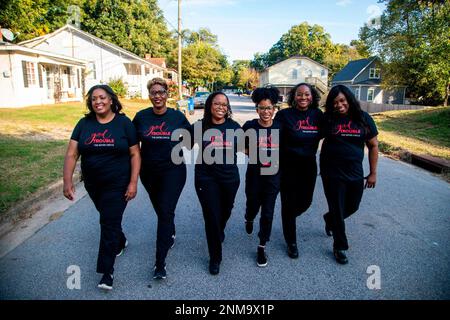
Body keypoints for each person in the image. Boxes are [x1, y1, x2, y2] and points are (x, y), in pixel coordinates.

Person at [63, 84, 141, 290]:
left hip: (118, 183)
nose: (98, 101)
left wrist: (133, 182)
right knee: (110, 220)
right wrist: (67, 181)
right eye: (94, 98)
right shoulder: (84, 123)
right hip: (93, 183)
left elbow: (135, 154)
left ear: (112, 100)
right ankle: (121, 240)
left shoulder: (124, 123)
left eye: (102, 97)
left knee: (107, 223)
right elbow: (72, 153)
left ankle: (107, 272)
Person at [132, 78, 191, 280]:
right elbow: (131, 146)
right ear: (149, 95)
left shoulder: (177, 117)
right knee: (162, 211)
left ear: (167, 94)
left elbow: (191, 140)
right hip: (149, 173)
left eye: (161, 92)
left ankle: (160, 263)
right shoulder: (141, 117)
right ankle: (170, 231)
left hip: (173, 172)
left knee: (165, 212)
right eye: (154, 92)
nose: (158, 96)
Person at [320, 85, 379, 264]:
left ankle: (329, 218)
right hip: (331, 171)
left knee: (352, 206)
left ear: (349, 100)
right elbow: (309, 136)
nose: (339, 105)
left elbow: (373, 146)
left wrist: (373, 173)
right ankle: (340, 246)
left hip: (355, 172)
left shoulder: (363, 118)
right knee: (337, 208)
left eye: (342, 101)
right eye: (335, 102)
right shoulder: (328, 119)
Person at [192, 91, 242, 275]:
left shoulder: (235, 127)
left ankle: (219, 230)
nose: (221, 107)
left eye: (224, 104)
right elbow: (180, 141)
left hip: (229, 177)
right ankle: (215, 257)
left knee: (226, 210)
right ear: (209, 106)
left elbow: (248, 148)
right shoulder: (200, 126)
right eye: (216, 103)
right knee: (211, 216)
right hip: (206, 177)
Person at [274, 83, 323, 259]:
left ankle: (289, 218)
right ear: (293, 96)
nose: (303, 98)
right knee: (288, 204)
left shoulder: (318, 115)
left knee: (305, 202)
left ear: (312, 96)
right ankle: (291, 241)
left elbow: (332, 133)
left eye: (307, 94)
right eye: (299, 94)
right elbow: (271, 132)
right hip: (287, 167)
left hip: (308, 166)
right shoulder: (284, 115)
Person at [242, 87, 281, 267]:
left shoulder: (280, 127)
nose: (266, 111)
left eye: (269, 108)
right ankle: (249, 217)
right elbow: (238, 144)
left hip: (273, 175)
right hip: (254, 174)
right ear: (257, 109)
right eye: (262, 108)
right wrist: (251, 152)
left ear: (274, 109)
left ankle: (262, 245)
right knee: (252, 204)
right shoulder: (250, 126)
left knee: (268, 212)